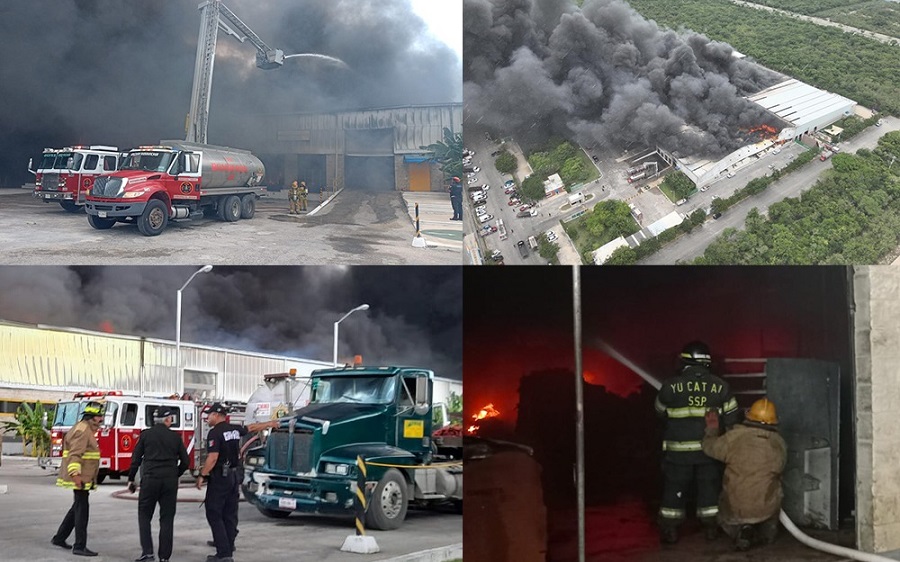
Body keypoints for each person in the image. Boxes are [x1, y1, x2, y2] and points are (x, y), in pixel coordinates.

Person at [654, 341, 739, 544]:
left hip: (678, 452)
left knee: (674, 490)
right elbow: (732, 420)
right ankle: (711, 528)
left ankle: (670, 530)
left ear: (685, 360)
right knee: (709, 489)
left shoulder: (670, 386)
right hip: (709, 452)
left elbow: (659, 412)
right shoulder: (721, 386)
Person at [196, 403, 279, 562]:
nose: (207, 418)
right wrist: (270, 423)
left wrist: (202, 475)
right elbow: (253, 427)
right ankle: (228, 544)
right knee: (229, 513)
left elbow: (213, 458)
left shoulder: (215, 433)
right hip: (234, 476)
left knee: (214, 512)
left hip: (220, 477)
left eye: (209, 415)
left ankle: (223, 554)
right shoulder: (234, 429)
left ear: (217, 415)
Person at [702, 398, 787, 551]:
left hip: (736, 509)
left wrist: (712, 430)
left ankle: (741, 531)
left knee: (726, 516)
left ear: (749, 416)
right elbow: (779, 470)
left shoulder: (734, 437)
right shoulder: (779, 443)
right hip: (765, 510)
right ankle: (764, 534)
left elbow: (709, 447)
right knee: (775, 488)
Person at [127, 406, 190, 562]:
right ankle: (164, 557)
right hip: (169, 481)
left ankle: (148, 553)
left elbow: (136, 458)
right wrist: (176, 473)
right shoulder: (175, 437)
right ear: (168, 420)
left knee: (144, 515)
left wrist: (131, 479)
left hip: (150, 479)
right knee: (167, 518)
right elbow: (186, 461)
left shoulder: (146, 435)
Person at [52, 401, 105, 557]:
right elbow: (75, 455)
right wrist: (76, 475)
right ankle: (79, 546)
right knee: (82, 511)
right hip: (80, 478)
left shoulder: (84, 428)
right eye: (98, 416)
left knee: (77, 507)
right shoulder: (83, 431)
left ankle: (59, 538)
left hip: (83, 477)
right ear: (91, 417)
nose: (101, 419)